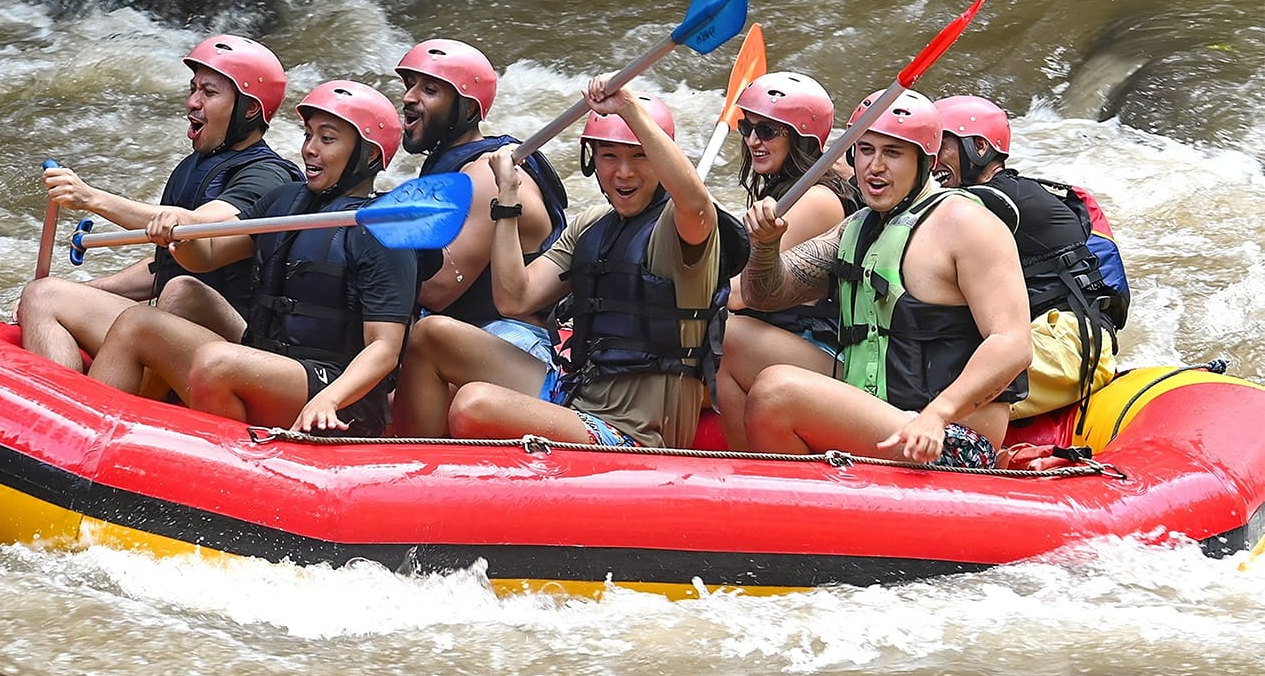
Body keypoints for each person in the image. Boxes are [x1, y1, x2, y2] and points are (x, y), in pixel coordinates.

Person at [86, 81, 417, 436]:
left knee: (216, 362)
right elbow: (208, 255)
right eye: (308, 135)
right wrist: (179, 236)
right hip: (269, 361)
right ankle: (87, 440)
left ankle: (229, 456)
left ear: (368, 156)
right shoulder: (285, 202)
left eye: (327, 139)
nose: (310, 149)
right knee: (137, 322)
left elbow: (384, 348)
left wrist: (330, 398)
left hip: (338, 392)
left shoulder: (384, 231)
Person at [739, 88, 1033, 468]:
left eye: (892, 153)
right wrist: (765, 246)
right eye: (865, 150)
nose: (874, 166)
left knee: (776, 390)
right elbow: (763, 296)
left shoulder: (967, 224)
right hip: (883, 409)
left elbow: (1013, 343)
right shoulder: (857, 228)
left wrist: (938, 413)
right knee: (733, 338)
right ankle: (759, 477)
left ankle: (801, 492)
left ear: (925, 161)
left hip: (951, 436)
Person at [428, 82, 721, 449]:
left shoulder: (682, 229)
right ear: (591, 160)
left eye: (640, 156)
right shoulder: (592, 225)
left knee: (474, 404)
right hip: (573, 397)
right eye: (609, 156)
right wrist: (506, 199)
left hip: (630, 434)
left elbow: (695, 202)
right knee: (431, 334)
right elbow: (514, 299)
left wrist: (628, 108)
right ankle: (403, 468)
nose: (624, 172)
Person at [16, 34, 301, 371]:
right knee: (42, 294)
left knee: (180, 293)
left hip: (233, 350)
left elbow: (200, 226)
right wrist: (83, 290)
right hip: (175, 325)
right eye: (193, 89)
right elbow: (163, 267)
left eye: (209, 93)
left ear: (250, 109)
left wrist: (91, 198)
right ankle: (57, 395)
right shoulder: (193, 167)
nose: (192, 103)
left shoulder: (269, 176)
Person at [389, 38, 568, 436]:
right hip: (464, 337)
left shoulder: (487, 176)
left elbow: (438, 290)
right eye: (410, 85)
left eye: (429, 90)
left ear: (468, 109)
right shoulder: (448, 168)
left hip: (512, 343)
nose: (409, 98)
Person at [933, 95, 1120, 420]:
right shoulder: (1009, 194)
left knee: (922, 386)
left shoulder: (999, 201)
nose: (930, 159)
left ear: (979, 147)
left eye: (939, 146)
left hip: (1067, 344)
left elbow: (919, 216)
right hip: (1049, 339)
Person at [710, 72, 857, 449]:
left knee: (723, 335)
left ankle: (748, 466)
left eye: (768, 131)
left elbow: (740, 293)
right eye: (747, 128)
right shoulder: (783, 192)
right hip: (785, 340)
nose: (752, 140)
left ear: (801, 138)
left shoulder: (820, 200)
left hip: (823, 351)